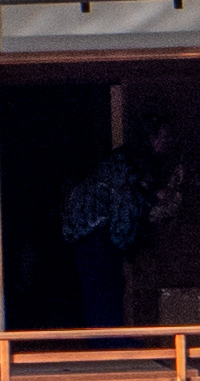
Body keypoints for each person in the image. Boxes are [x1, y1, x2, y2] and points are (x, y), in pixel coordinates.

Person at [58, 129, 152, 326]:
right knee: (104, 286)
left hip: (89, 232)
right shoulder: (121, 176)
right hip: (94, 233)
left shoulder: (113, 170)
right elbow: (122, 217)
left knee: (105, 285)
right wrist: (124, 247)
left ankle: (108, 336)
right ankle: (107, 339)